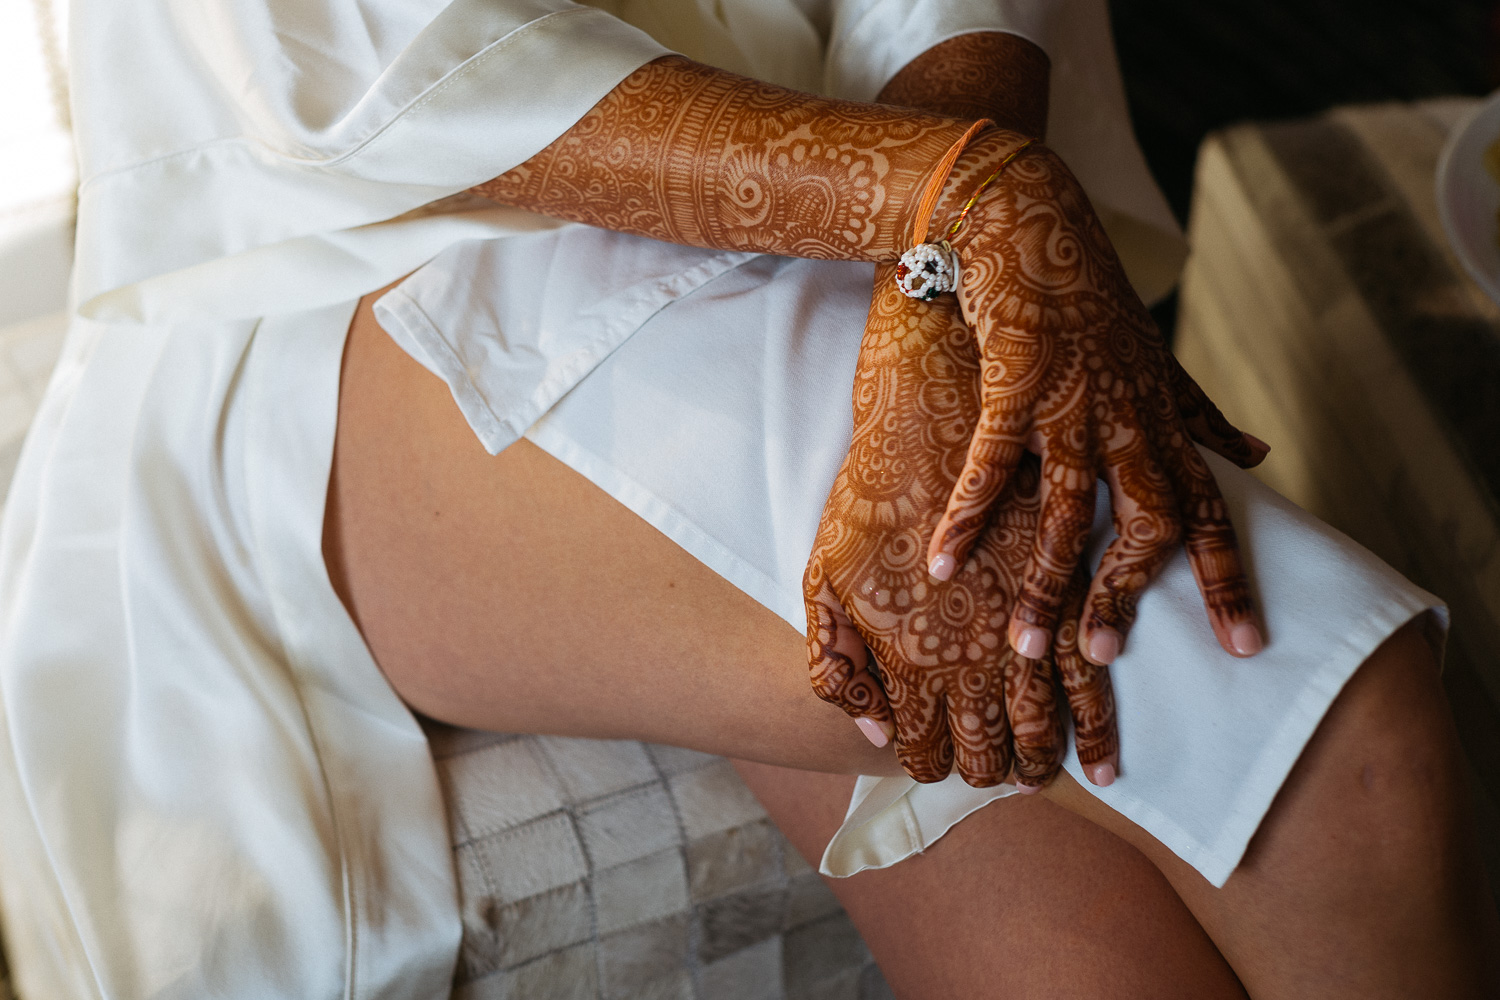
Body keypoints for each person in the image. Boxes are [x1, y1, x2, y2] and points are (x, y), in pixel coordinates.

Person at [0, 1, 1494, 997]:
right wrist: (941, 198)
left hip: (844, 162)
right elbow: (353, 60)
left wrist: (926, 288)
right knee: (1338, 758)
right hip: (363, 246)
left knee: (1096, 957)